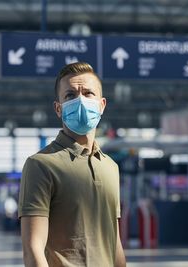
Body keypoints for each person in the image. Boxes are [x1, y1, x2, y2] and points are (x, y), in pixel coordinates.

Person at [19, 62, 126, 267]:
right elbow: (33, 248)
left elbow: (114, 243)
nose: (80, 100)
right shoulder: (40, 165)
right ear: (58, 109)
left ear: (102, 105)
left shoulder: (110, 167)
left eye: (88, 93)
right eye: (70, 95)